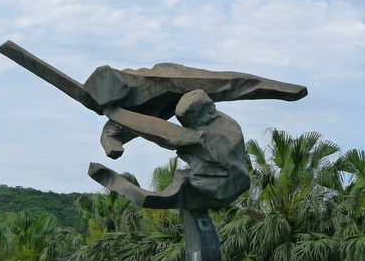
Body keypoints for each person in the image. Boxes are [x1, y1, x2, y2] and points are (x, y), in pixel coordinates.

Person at [88, 89, 250, 212]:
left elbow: (162, 133)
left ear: (205, 113)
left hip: (214, 189)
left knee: (150, 199)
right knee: (172, 189)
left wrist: (115, 112)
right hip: (238, 181)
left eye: (189, 121)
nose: (186, 125)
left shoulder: (203, 136)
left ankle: (109, 179)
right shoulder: (227, 122)